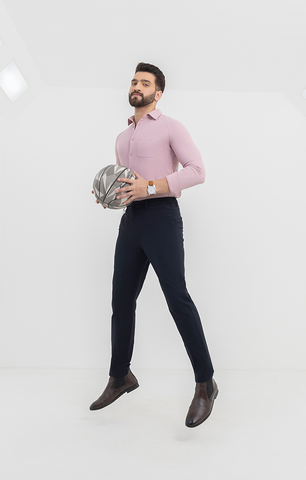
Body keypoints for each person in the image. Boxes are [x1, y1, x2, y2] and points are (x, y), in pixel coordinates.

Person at [89, 62, 218, 428]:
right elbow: (124, 181)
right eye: (134, 81)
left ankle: (206, 383)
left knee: (177, 298)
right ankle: (120, 377)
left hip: (162, 217)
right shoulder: (121, 137)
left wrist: (148, 187)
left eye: (145, 83)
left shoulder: (171, 127)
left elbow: (197, 171)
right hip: (131, 222)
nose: (137, 86)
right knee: (121, 301)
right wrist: (110, 195)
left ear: (157, 93)